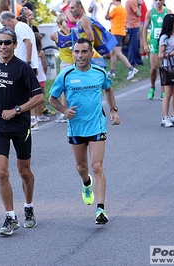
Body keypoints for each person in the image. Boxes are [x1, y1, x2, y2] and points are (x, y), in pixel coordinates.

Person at [0, 27, 44, 236]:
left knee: (24, 172)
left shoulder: (23, 68)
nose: (3, 46)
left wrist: (17, 110)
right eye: (0, 43)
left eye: (7, 42)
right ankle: (10, 216)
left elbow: (39, 97)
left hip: (20, 125)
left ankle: (28, 207)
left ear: (14, 45)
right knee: (1, 172)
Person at [49, 38, 120, 225]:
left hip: (96, 125)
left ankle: (100, 209)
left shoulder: (99, 72)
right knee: (82, 168)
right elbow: (52, 98)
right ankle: (86, 182)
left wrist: (113, 110)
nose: (80, 56)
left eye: (83, 52)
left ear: (91, 53)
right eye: (76, 52)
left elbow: (109, 89)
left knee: (97, 166)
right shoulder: (65, 75)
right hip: (76, 127)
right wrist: (64, 111)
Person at [0, 11, 39, 130]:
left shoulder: (20, 27)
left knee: (29, 94)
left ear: (9, 20)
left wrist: (28, 62)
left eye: (4, 24)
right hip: (25, 64)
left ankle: (32, 119)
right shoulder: (21, 27)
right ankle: (30, 118)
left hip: (25, 64)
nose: (5, 28)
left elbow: (29, 44)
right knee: (25, 93)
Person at [50, 13, 78, 123]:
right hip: (75, 62)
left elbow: (58, 45)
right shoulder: (74, 31)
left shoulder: (55, 34)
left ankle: (64, 113)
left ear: (57, 23)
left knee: (63, 89)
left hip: (65, 63)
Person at [143, 0, 172, 100]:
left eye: (160, 0)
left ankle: (163, 90)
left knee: (163, 67)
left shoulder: (168, 11)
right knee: (154, 67)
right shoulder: (150, 13)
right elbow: (145, 27)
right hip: (154, 43)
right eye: (156, 0)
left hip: (164, 43)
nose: (158, 2)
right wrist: (145, 44)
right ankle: (152, 86)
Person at [105, 0, 139, 80]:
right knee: (112, 52)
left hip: (116, 32)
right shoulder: (123, 9)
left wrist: (109, 6)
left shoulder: (116, 9)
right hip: (119, 32)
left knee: (118, 52)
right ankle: (112, 71)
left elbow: (106, 17)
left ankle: (131, 69)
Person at [30, 32, 50, 131]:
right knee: (41, 96)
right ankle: (39, 114)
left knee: (33, 96)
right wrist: (45, 73)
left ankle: (34, 116)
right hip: (40, 77)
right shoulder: (41, 52)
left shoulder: (31, 52)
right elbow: (44, 65)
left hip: (34, 77)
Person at [125, 0, 143, 66]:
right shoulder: (132, 1)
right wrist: (140, 4)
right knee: (133, 44)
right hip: (133, 25)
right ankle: (132, 61)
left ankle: (138, 60)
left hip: (132, 25)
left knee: (136, 43)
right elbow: (139, 14)